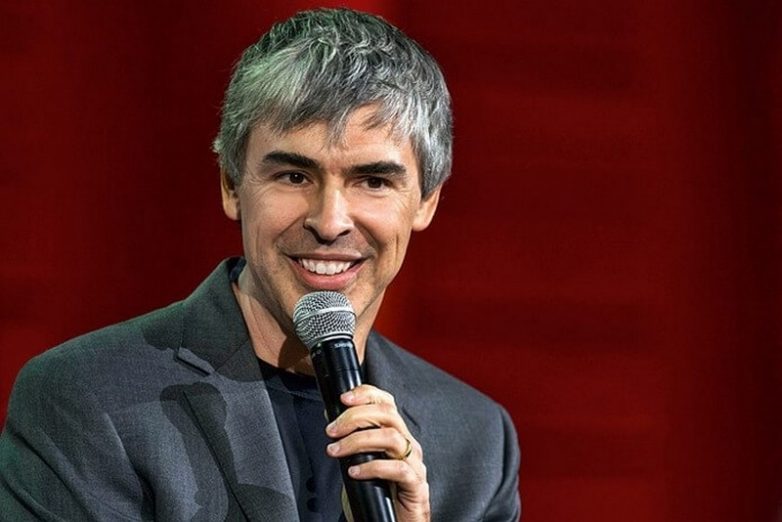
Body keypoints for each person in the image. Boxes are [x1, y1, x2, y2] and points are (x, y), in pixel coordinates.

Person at [0, 8, 520, 521]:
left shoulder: (476, 442)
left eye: (373, 181)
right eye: (294, 176)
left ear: (426, 201)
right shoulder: (86, 398)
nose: (330, 222)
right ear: (232, 185)